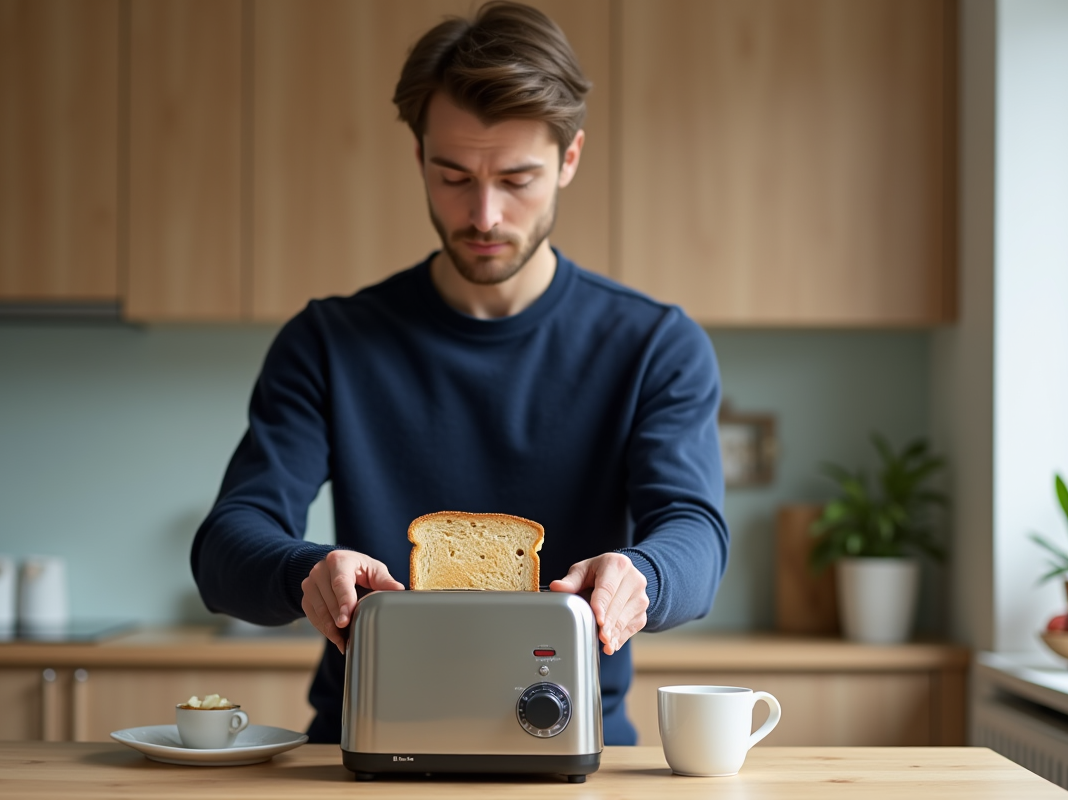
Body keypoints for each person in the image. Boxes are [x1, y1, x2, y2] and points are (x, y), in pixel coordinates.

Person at [191, 1, 729, 746]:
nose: (483, 213)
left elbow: (695, 530)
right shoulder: (328, 342)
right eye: (453, 175)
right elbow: (226, 545)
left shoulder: (654, 345)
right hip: (370, 740)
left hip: (577, 742)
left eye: (517, 178)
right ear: (418, 158)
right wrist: (305, 571)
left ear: (570, 159)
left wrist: (644, 576)